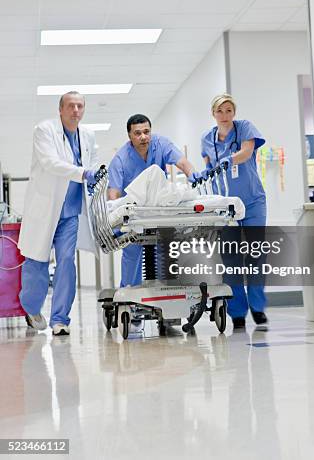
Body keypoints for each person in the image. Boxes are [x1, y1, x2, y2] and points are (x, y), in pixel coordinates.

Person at [18, 91, 98, 336]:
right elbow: (50, 163)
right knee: (37, 262)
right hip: (45, 209)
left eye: (80, 106)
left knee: (66, 262)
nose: (76, 110)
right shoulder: (44, 130)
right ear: (60, 109)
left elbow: (93, 162)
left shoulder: (87, 136)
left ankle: (60, 319)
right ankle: (31, 309)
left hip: (71, 212)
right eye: (71, 106)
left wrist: (95, 174)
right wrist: (84, 173)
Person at [201, 93, 268, 330]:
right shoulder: (207, 139)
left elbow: (247, 152)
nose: (225, 115)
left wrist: (230, 159)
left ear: (234, 112)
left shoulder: (245, 128)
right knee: (230, 259)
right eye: (220, 111)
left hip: (252, 202)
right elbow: (209, 167)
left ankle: (258, 308)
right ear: (213, 114)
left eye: (229, 110)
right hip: (225, 206)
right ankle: (237, 312)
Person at [107, 114, 196, 287]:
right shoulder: (120, 159)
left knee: (165, 252)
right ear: (130, 136)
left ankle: (166, 295)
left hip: (158, 211)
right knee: (133, 253)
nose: (143, 137)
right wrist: (116, 217)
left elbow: (183, 163)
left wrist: (194, 177)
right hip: (135, 216)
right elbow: (114, 194)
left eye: (146, 132)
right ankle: (129, 297)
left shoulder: (161, 144)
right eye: (137, 133)